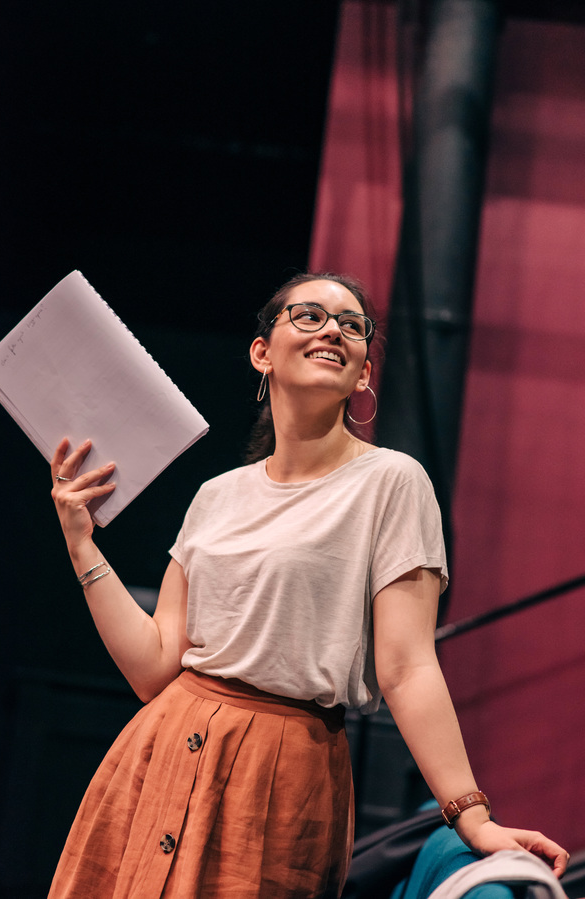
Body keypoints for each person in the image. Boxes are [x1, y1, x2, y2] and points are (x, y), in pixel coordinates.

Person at [47, 273, 568, 899]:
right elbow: (155, 667)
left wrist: (473, 817)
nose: (333, 330)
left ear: (363, 374)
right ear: (262, 352)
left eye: (353, 326)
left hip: (281, 772)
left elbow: (407, 668)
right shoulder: (218, 495)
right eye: (311, 315)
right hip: (158, 754)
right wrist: (82, 544)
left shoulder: (392, 483)